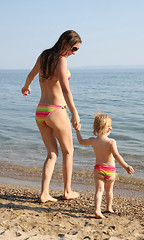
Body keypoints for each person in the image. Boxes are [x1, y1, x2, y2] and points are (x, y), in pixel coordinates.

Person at [21, 30, 82, 202]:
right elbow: (65, 89)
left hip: (41, 111)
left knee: (52, 154)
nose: (74, 53)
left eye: (77, 50)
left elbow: (31, 75)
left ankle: (44, 193)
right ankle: (67, 191)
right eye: (74, 48)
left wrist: (26, 87)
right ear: (64, 42)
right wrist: (75, 113)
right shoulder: (61, 60)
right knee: (68, 151)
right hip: (56, 110)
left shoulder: (44, 56)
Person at [76, 112, 134, 219]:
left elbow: (80, 141)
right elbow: (117, 156)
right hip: (110, 170)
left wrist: (77, 130)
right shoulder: (111, 142)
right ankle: (109, 207)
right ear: (108, 129)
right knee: (109, 190)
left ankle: (97, 209)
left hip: (98, 169)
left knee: (99, 191)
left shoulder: (92, 140)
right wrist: (126, 166)